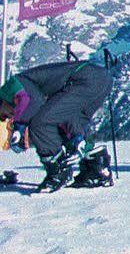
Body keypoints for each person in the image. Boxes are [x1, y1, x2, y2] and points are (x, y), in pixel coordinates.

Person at [0, 59, 114, 191]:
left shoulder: (11, 86)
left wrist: (19, 126)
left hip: (83, 79)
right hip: (101, 79)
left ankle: (58, 172)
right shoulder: (38, 91)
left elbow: (27, 100)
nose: (10, 116)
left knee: (40, 124)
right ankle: (97, 168)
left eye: (4, 115)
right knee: (72, 121)